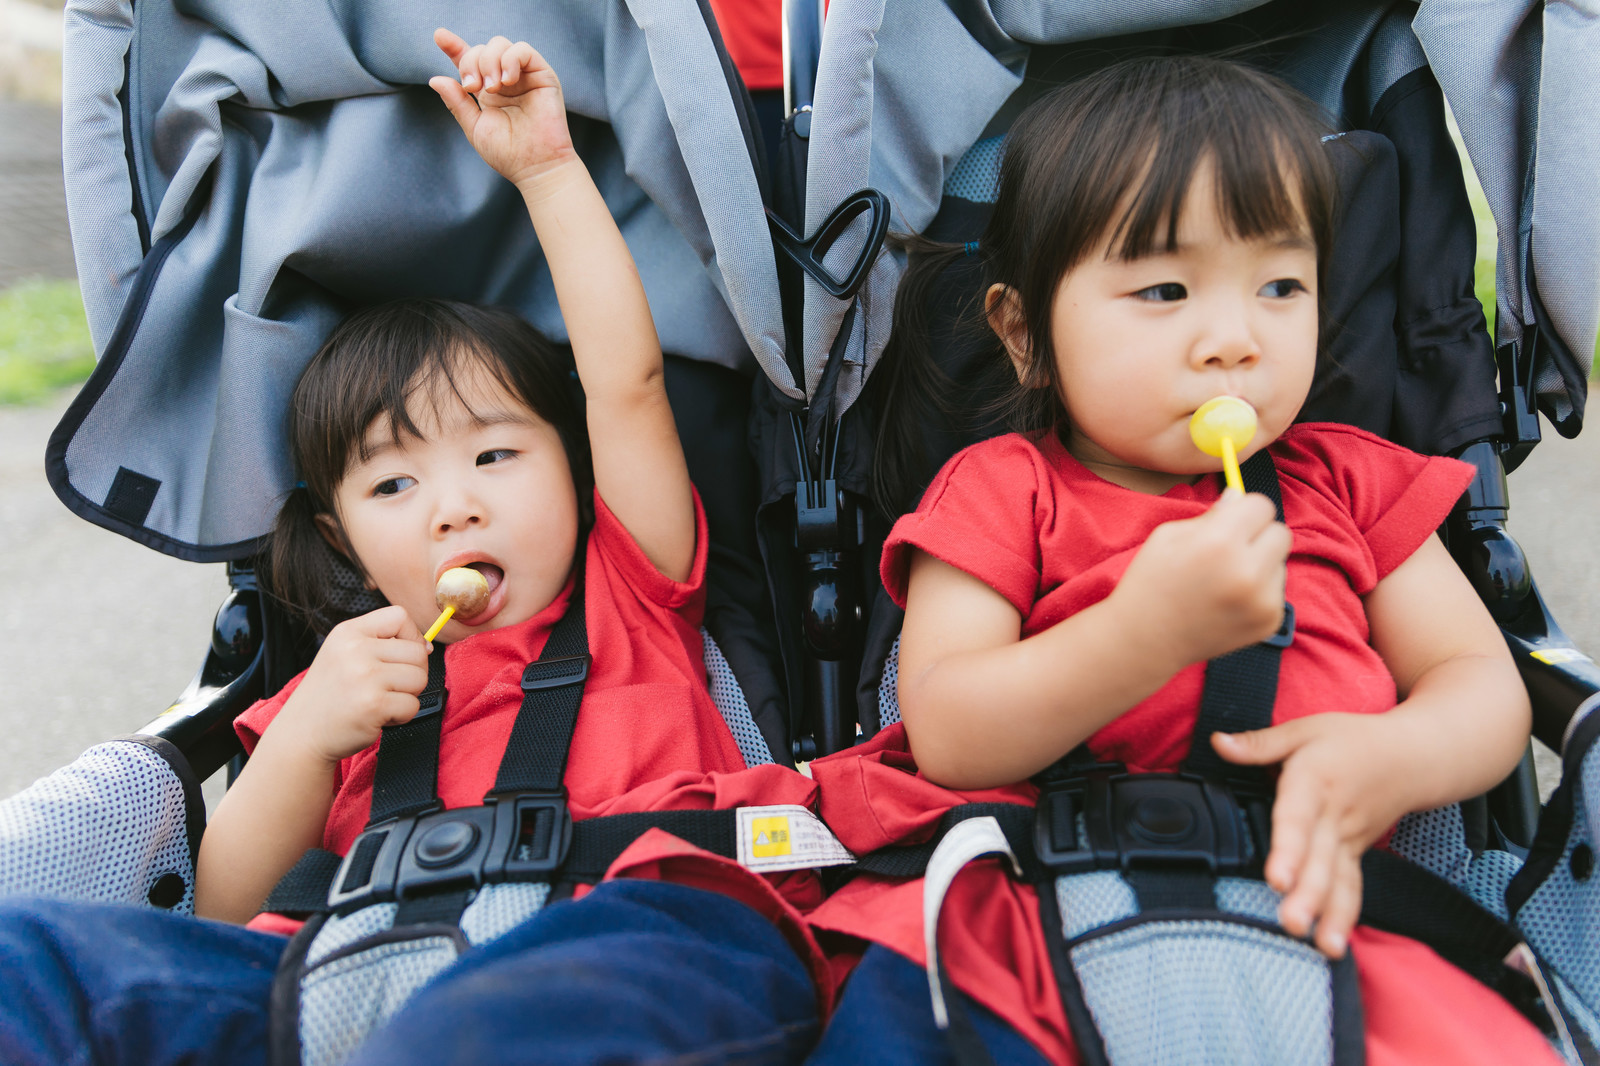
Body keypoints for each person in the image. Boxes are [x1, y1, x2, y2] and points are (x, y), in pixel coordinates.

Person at [0, 29, 828, 1066]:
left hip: (633, 930)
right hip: (357, 953)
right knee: (27, 956)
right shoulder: (350, 678)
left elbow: (627, 382)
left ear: (577, 475)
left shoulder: (637, 581)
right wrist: (308, 736)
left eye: (495, 455)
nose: (452, 507)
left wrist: (547, 167)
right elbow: (222, 909)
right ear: (341, 533)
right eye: (395, 482)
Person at [799, 57, 1563, 1065]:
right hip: (1030, 901)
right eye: (1163, 289)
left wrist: (1391, 757)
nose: (1232, 340)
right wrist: (1141, 635)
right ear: (1024, 335)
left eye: (1279, 285)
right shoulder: (1001, 490)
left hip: (1318, 898)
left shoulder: (1349, 482)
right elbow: (944, 727)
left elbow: (1482, 686)